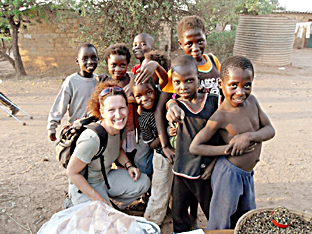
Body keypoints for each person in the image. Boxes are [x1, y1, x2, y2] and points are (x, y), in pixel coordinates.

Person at [189, 56, 275, 230]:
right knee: (221, 218)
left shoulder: (252, 102)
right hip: (228, 175)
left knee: (247, 217)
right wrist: (228, 149)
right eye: (233, 85)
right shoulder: (221, 116)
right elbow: (195, 146)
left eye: (247, 85)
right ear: (221, 84)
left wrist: (248, 136)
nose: (240, 92)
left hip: (247, 174)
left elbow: (270, 130)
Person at [155, 15, 222, 226]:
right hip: (186, 135)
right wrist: (171, 107)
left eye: (199, 40)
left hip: (211, 126)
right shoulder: (179, 70)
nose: (195, 47)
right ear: (181, 44)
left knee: (210, 200)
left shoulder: (213, 62)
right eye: (189, 43)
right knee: (183, 201)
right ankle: (188, 224)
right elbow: (167, 101)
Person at [66, 80, 150, 209]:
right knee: (102, 222)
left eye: (122, 108)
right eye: (111, 110)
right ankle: (75, 203)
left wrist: (129, 166)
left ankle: (114, 207)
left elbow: (117, 149)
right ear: (102, 112)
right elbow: (72, 173)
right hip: (86, 184)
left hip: (104, 178)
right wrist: (98, 199)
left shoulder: (120, 127)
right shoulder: (91, 138)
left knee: (143, 182)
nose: (118, 115)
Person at [166, 55, 221, 233]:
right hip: (181, 170)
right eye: (177, 82)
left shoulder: (213, 102)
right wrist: (171, 105)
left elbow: (223, 135)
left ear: (198, 78)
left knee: (212, 211)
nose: (183, 87)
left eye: (189, 80)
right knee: (179, 213)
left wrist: (213, 164)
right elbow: (170, 106)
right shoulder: (177, 106)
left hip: (205, 171)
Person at [130, 76, 173, 225]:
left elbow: (167, 80)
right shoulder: (144, 118)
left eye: (149, 92)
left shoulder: (165, 101)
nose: (145, 98)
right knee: (159, 189)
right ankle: (152, 222)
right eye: (139, 96)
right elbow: (152, 145)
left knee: (175, 187)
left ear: (155, 90)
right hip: (161, 156)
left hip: (179, 152)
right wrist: (166, 133)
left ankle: (173, 211)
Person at [47, 43, 99, 141]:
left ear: (98, 59)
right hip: (77, 129)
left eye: (93, 58)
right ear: (77, 61)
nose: (90, 62)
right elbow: (60, 104)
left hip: (95, 130)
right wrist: (52, 126)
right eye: (85, 59)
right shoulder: (71, 81)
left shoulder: (99, 81)